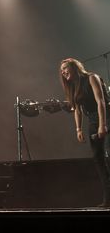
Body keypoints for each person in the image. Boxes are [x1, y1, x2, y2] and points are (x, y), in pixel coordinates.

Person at [60, 57, 110, 207]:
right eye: (61, 71)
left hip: (106, 116)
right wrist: (78, 129)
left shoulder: (91, 78)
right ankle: (108, 200)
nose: (63, 73)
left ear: (74, 68)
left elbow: (101, 102)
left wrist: (103, 125)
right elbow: (77, 109)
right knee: (98, 158)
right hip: (93, 121)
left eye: (65, 69)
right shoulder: (73, 86)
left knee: (106, 155)